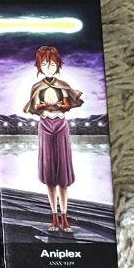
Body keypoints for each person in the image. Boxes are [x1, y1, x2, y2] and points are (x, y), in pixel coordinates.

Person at [24, 45, 84, 234]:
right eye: (44, 64)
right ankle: (54, 217)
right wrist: (44, 106)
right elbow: (35, 107)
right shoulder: (37, 86)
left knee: (63, 176)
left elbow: (67, 105)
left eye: (51, 64)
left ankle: (65, 218)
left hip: (61, 125)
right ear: (39, 66)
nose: (48, 67)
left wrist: (58, 106)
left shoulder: (62, 84)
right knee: (50, 174)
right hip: (44, 126)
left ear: (57, 65)